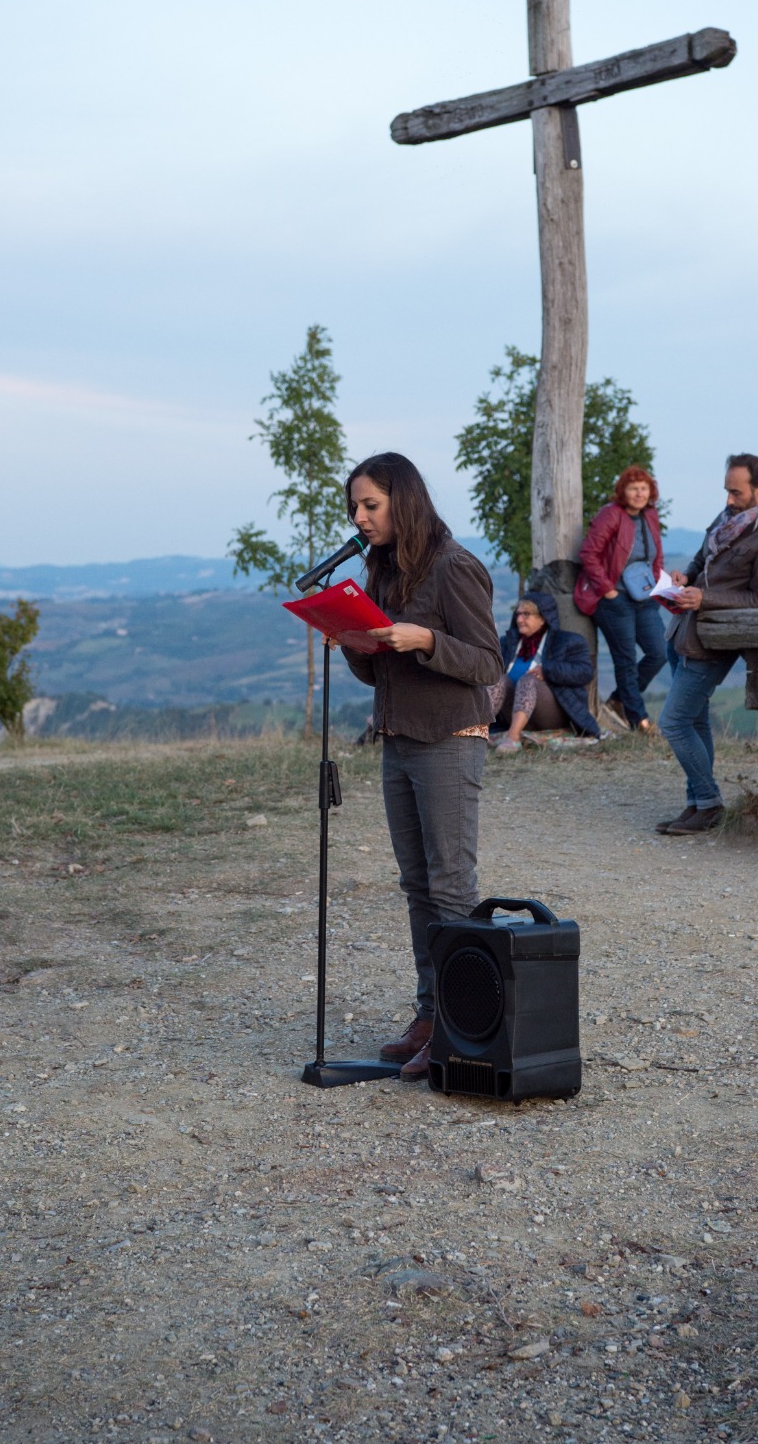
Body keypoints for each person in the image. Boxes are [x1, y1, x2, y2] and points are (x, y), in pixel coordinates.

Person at [338, 452, 503, 1082]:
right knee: (416, 886)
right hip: (398, 737)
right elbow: (379, 669)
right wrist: (354, 642)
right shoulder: (382, 570)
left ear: (403, 501)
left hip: (449, 737)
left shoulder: (455, 567)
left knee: (451, 887)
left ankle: (464, 1027)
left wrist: (427, 640)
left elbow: (488, 662)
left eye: (370, 505)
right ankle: (431, 1014)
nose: (360, 518)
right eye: (355, 506)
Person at [656, 453, 758, 836]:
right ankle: (696, 804)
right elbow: (703, 559)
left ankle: (710, 802)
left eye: (737, 491)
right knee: (694, 719)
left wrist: (704, 598)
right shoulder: (728, 518)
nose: (729, 499)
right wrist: (687, 577)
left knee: (674, 721)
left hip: (715, 641)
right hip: (684, 630)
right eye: (727, 491)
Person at [574, 465, 667, 731]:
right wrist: (608, 590)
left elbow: (656, 554)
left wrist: (657, 582)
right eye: (633, 488)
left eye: (643, 488)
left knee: (659, 652)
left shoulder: (650, 515)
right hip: (615, 599)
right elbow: (589, 554)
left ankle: (617, 701)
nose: (639, 493)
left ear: (651, 491)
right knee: (625, 660)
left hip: (643, 595)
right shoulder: (610, 515)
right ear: (622, 491)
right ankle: (640, 721)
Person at [489, 591, 602, 751]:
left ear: (543, 618)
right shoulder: (508, 643)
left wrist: (548, 670)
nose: (520, 619)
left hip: (550, 713)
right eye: (518, 614)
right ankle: (475, 732)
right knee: (499, 680)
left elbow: (584, 672)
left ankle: (513, 739)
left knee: (528, 680)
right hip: (509, 711)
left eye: (526, 614)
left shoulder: (569, 642)